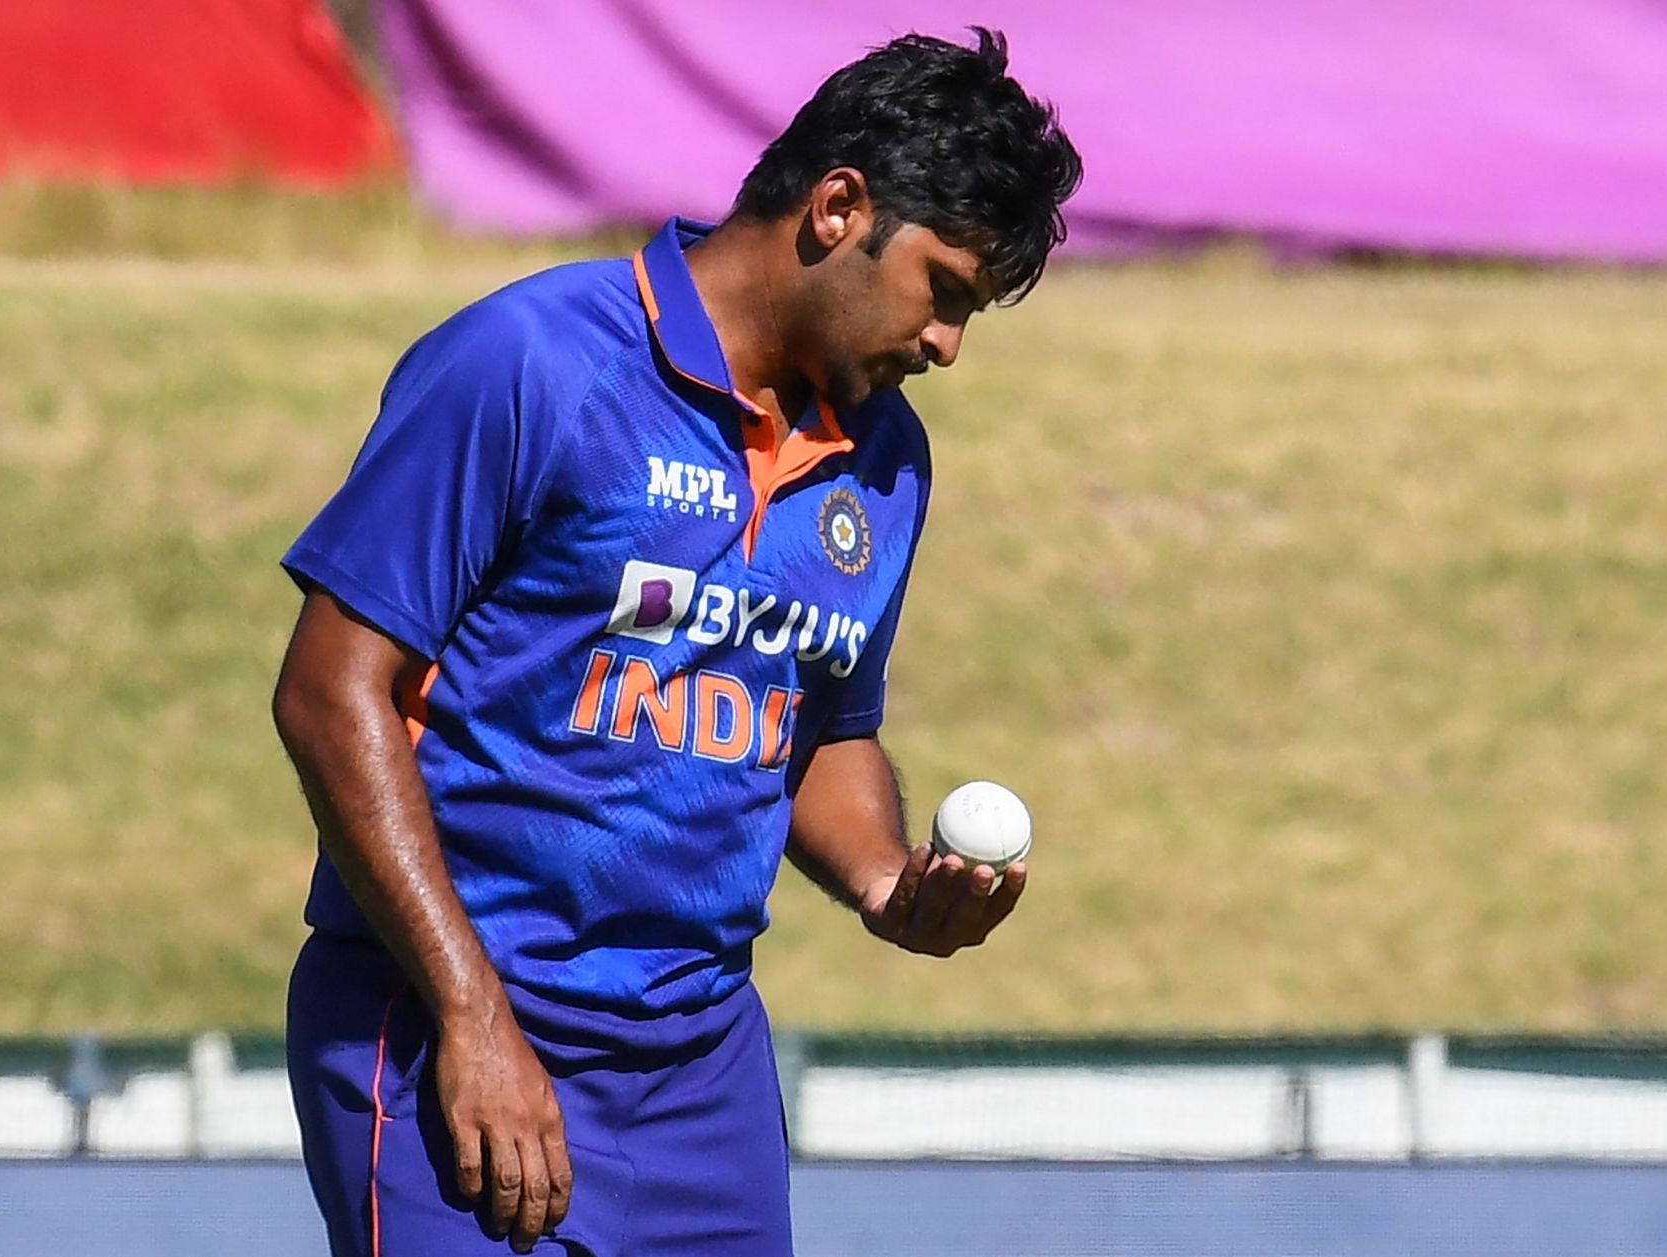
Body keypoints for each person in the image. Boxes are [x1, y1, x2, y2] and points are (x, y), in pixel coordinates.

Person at [273, 26, 1080, 1257]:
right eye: (945, 291)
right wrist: (474, 1020)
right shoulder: (530, 364)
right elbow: (332, 694)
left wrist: (888, 883)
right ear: (839, 208)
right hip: (449, 1024)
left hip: (699, 1080)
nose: (947, 346)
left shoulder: (889, 462)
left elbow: (816, 727)